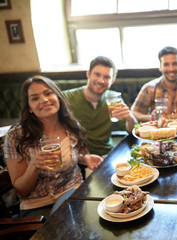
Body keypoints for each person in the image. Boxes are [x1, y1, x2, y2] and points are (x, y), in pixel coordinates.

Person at [3, 75, 103, 219]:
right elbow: (21, 191)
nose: (44, 100)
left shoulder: (72, 126)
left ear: (58, 98)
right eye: (35, 98)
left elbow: (72, 155)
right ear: (29, 108)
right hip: (37, 208)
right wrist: (34, 166)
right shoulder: (16, 136)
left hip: (74, 194)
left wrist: (84, 158)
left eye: (48, 93)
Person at [63, 56, 137, 156]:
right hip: (79, 158)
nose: (101, 80)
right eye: (97, 75)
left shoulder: (114, 99)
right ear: (88, 74)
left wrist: (130, 118)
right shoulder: (67, 98)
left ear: (113, 80)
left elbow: (131, 130)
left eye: (107, 77)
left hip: (107, 155)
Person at [131, 46, 177, 122]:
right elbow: (134, 113)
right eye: (166, 64)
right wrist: (151, 118)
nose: (171, 69)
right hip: (157, 132)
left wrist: (164, 119)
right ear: (160, 67)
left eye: (175, 64)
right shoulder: (149, 88)